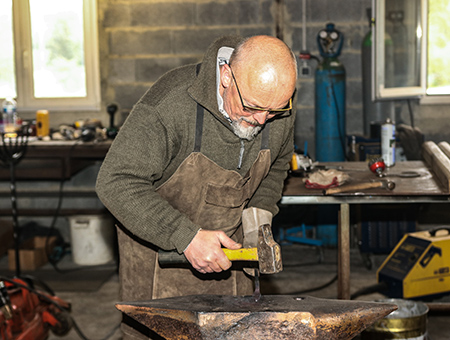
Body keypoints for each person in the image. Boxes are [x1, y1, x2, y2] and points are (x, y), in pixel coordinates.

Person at [96, 34, 297, 339]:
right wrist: (186, 237)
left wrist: (258, 221)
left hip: (231, 271)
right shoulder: (170, 106)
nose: (262, 120)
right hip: (160, 273)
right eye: (252, 107)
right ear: (227, 75)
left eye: (275, 110)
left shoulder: (274, 107)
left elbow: (277, 164)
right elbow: (115, 181)